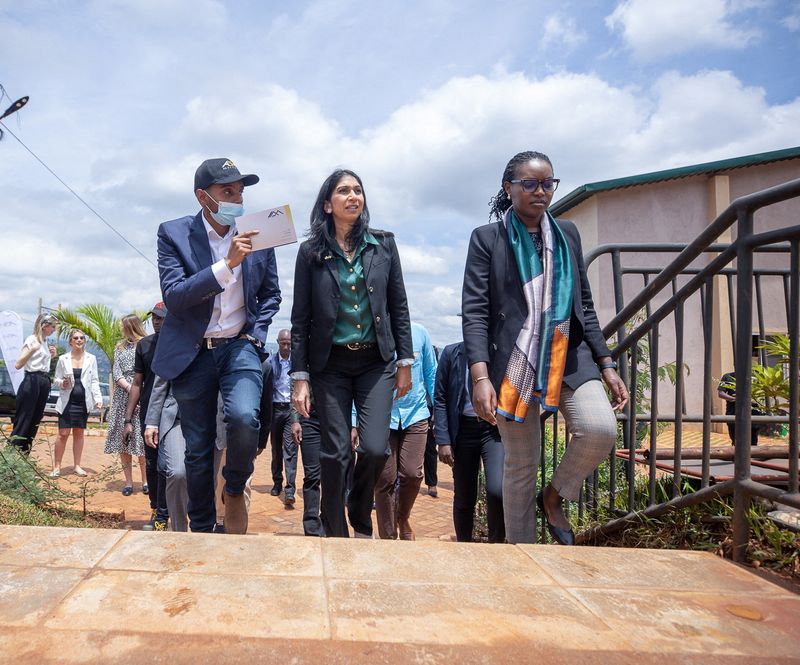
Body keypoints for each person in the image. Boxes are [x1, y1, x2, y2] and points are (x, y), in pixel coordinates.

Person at [462, 150, 628, 546]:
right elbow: (475, 311)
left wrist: (605, 363)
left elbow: (583, 304)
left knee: (599, 429)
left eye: (548, 183)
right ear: (509, 188)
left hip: (569, 357)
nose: (541, 192)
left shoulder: (567, 233)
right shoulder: (488, 239)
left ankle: (553, 496)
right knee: (521, 465)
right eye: (530, 183)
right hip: (512, 365)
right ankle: (522, 554)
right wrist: (480, 376)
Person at [152, 157, 281, 534]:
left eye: (240, 191)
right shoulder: (173, 233)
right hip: (192, 353)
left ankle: (236, 485)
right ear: (203, 197)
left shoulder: (258, 232)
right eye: (228, 191)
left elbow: (271, 293)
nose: (236, 198)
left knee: (244, 418)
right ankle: (205, 527)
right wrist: (226, 264)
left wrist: (256, 334)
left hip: (239, 346)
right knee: (198, 447)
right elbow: (175, 297)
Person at [291, 168, 413, 538]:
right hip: (330, 366)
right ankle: (335, 529)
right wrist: (300, 377)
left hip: (377, 363)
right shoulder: (310, 252)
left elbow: (399, 306)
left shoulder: (384, 244)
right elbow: (301, 318)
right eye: (343, 191)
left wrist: (405, 361)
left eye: (358, 190)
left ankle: (359, 513)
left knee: (376, 449)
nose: (353, 196)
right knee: (335, 453)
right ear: (328, 204)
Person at [434, 341, 504, 543]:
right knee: (464, 497)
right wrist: (444, 440)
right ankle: (464, 546)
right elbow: (440, 398)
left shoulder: (498, 351)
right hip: (463, 431)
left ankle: (497, 547)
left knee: (497, 491)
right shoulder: (451, 353)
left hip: (493, 430)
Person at [374, 321, 437, 540]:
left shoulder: (420, 333)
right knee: (385, 479)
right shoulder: (375, 334)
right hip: (382, 416)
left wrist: (438, 410)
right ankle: (388, 537)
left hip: (416, 413)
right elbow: (362, 377)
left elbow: (431, 372)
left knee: (411, 473)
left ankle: (402, 516)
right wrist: (355, 420)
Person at [123, 302, 168, 527]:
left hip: (176, 414)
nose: (157, 321)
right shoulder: (145, 346)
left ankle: (172, 509)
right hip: (149, 414)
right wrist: (128, 419)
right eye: (154, 318)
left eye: (161, 317)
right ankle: (157, 512)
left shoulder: (183, 344)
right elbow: (137, 383)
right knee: (152, 464)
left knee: (171, 465)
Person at [104, 314, 147, 495]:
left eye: (123, 326)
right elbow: (117, 372)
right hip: (123, 397)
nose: (121, 329)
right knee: (124, 442)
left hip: (143, 393)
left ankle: (146, 481)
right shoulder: (119, 347)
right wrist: (131, 389)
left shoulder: (146, 344)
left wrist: (139, 393)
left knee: (142, 442)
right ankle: (128, 482)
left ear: (130, 326)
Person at [51, 328, 103, 477]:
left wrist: (98, 398)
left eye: (82, 338)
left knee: (79, 433)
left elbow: (94, 380)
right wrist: (63, 384)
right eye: (76, 338)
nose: (79, 340)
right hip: (67, 401)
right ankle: (57, 466)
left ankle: (77, 466)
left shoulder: (91, 358)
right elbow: (56, 380)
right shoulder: (63, 359)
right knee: (63, 433)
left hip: (83, 402)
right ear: (70, 341)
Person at [10, 313, 57, 454]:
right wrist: (32, 350)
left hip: (43, 381)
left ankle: (24, 459)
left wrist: (51, 356)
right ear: (44, 326)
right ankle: (12, 457)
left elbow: (41, 363)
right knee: (24, 419)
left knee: (34, 420)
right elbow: (18, 364)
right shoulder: (32, 339)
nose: (54, 329)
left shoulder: (45, 341)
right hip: (32, 380)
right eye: (52, 326)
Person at [289, 378, 324, 536]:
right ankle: (312, 527)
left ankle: (329, 521)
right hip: (309, 419)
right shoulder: (303, 362)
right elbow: (295, 392)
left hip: (335, 418)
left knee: (334, 474)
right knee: (312, 475)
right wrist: (296, 421)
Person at [267, 329, 293, 501]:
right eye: (283, 343)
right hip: (275, 409)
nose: (285, 347)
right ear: (277, 342)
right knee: (276, 450)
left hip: (291, 411)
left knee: (291, 449)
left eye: (289, 343)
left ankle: (290, 488)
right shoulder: (270, 362)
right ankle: (277, 482)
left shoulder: (297, 363)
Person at [718, 371, 761, 446]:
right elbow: (721, 393)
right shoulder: (727, 377)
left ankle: (752, 456)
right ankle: (737, 456)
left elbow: (761, 392)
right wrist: (734, 399)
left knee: (753, 440)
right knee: (736, 440)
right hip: (733, 411)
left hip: (752, 411)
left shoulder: (754, 377)